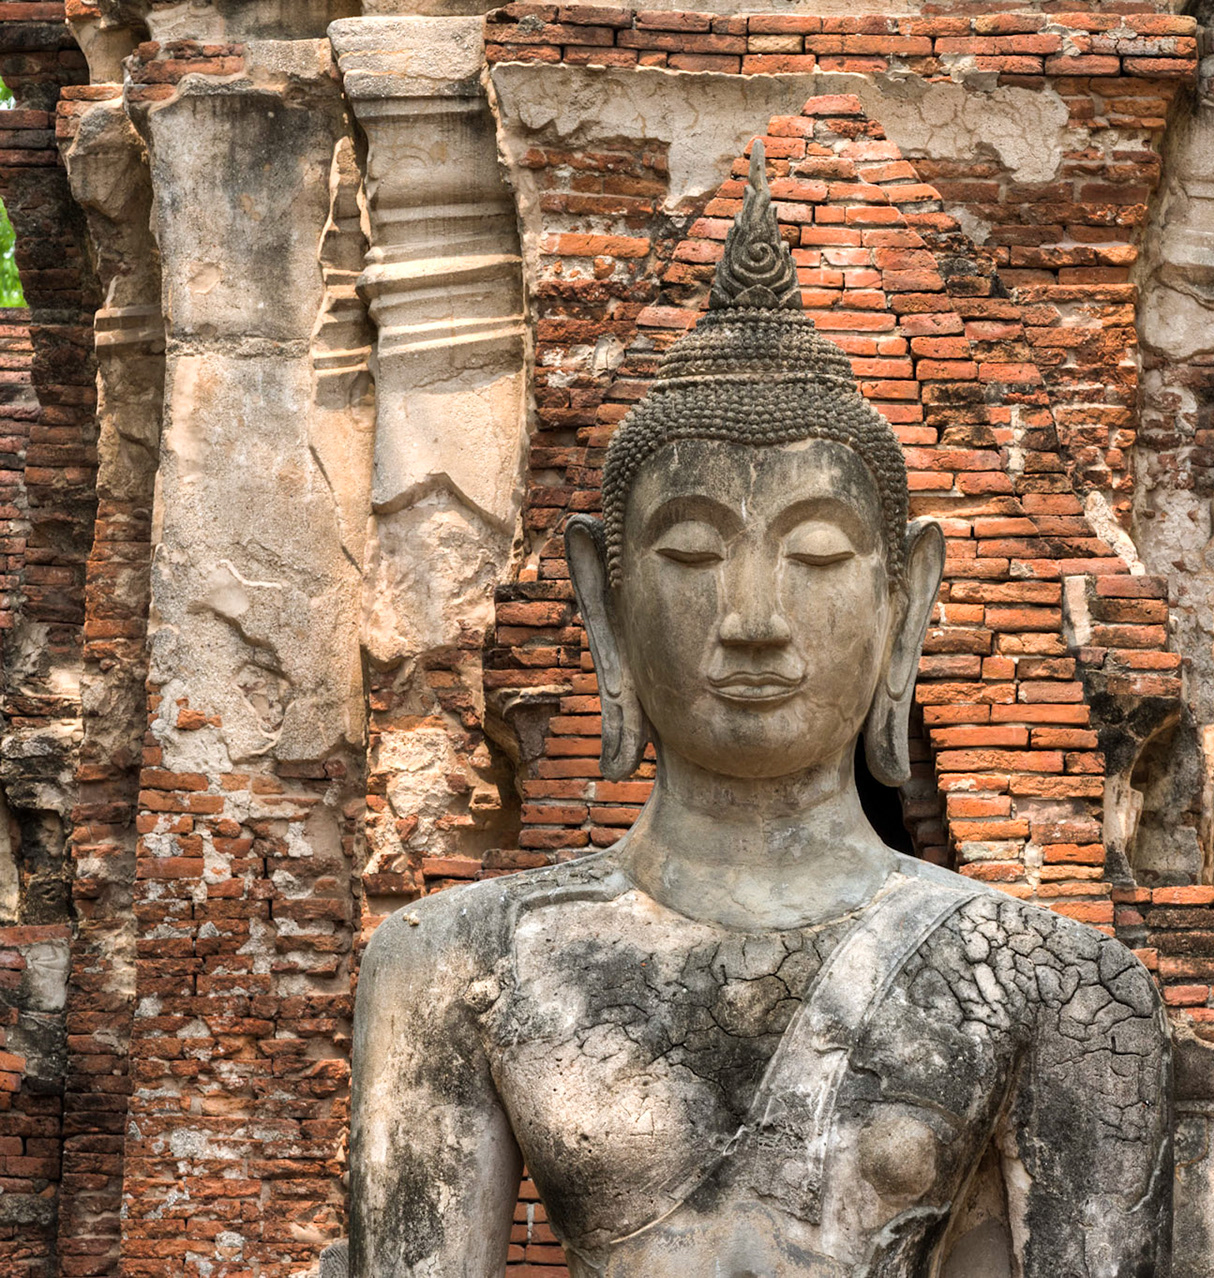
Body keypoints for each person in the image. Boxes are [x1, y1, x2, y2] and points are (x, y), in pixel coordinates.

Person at [346, 142, 1171, 1277]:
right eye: (689, 551)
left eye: (818, 555)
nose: (753, 619)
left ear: (907, 598)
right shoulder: (453, 963)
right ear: (604, 596)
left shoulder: (1054, 981)